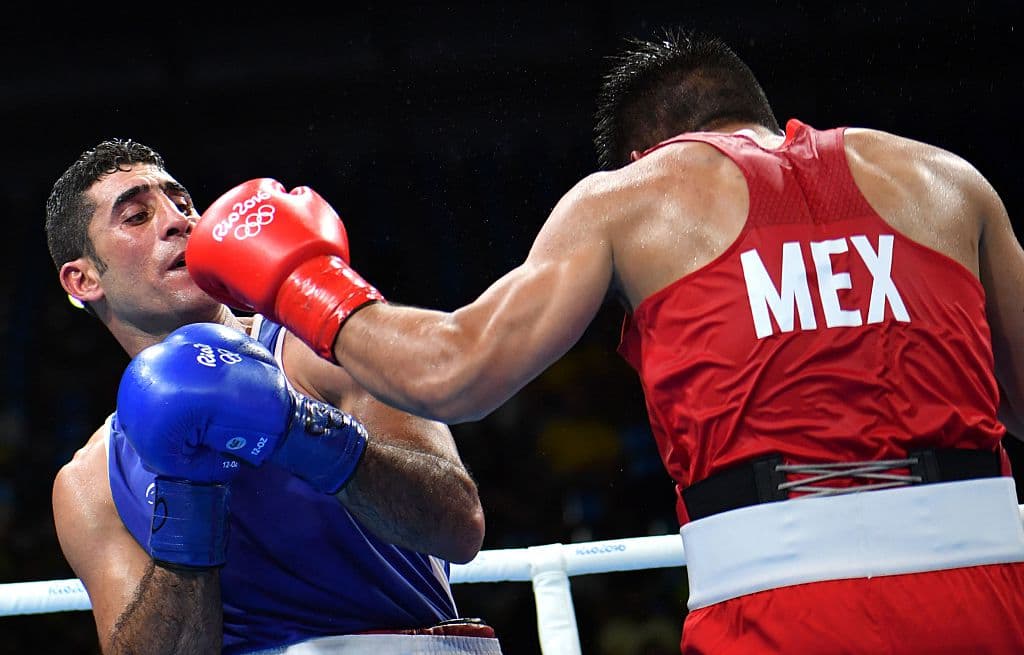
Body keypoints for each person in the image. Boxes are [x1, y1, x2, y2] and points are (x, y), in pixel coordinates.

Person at [184, 26, 1024, 654]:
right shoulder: (947, 180)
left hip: (781, 593)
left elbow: (453, 372)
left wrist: (300, 280)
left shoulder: (633, 195)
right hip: (992, 583)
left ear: (643, 152)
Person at [44, 139, 503, 654]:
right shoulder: (90, 483)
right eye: (136, 216)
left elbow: (459, 527)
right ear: (82, 279)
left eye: (183, 203)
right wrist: (188, 494)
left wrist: (296, 426)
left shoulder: (325, 346)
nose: (178, 221)